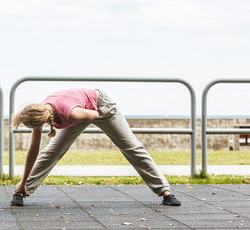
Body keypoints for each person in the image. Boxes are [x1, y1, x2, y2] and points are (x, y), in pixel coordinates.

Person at [11, 88, 181, 206]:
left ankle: (165, 192)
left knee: (131, 146)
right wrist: (23, 181)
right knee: (50, 152)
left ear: (45, 121)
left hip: (100, 108)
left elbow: (93, 115)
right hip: (78, 110)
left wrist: (90, 111)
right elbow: (33, 151)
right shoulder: (40, 111)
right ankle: (22, 190)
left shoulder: (71, 112)